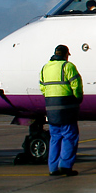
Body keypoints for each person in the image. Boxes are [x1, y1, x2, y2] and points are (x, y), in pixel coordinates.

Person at [39, 44, 83, 177]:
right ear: (65, 55)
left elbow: (42, 87)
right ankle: (65, 166)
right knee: (70, 136)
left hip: (51, 108)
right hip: (66, 108)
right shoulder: (67, 66)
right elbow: (76, 85)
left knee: (55, 138)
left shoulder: (45, 67)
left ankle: (53, 168)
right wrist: (78, 98)